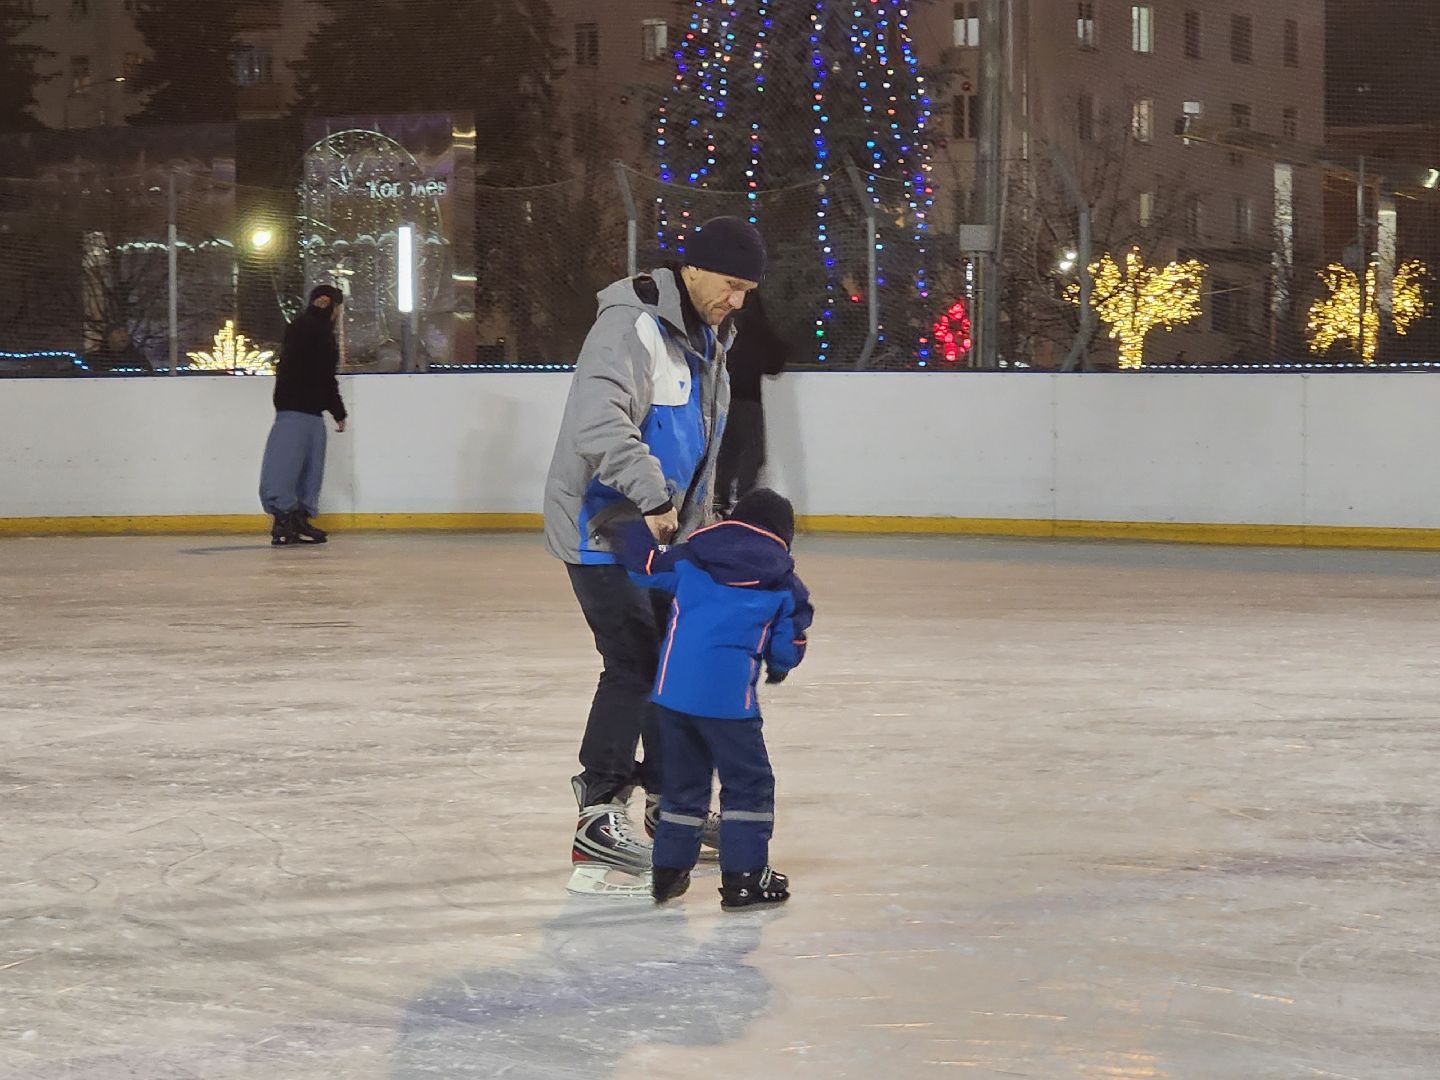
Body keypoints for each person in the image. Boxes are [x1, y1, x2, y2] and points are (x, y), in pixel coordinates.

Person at [543, 217, 767, 896]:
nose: (739, 302)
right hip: (602, 526)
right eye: (732, 286)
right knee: (636, 661)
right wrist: (651, 496)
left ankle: (673, 807)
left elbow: (696, 451)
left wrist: (700, 531)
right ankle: (599, 813)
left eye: (749, 291)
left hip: (665, 534)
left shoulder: (710, 339)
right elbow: (597, 421)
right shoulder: (631, 326)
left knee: (676, 660)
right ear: (694, 271)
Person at [599, 488, 811, 909]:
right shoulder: (784, 582)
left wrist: (626, 523)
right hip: (730, 705)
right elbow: (788, 645)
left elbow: (644, 568)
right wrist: (781, 665)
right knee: (748, 785)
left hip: (671, 697)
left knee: (684, 785)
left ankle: (668, 873)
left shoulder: (693, 558)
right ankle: (745, 879)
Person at [259, 285, 348, 547]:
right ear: (327, 304)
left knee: (308, 467)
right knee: (287, 466)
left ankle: (295, 518)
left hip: (307, 412)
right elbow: (323, 377)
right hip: (296, 411)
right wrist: (338, 410)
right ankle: (286, 519)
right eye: (336, 309)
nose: (337, 315)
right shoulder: (311, 331)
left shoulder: (310, 330)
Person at [714, 292, 790, 514]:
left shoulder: (724, 324)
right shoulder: (756, 327)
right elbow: (773, 364)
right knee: (751, 451)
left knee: (727, 450)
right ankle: (740, 500)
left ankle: (720, 499)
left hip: (722, 398)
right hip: (747, 397)